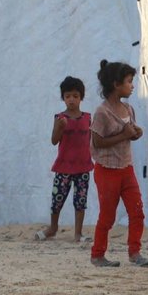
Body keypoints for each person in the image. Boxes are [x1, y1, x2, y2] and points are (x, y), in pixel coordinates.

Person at [90, 59, 148, 268]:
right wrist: (123, 135)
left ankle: (135, 252)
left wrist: (135, 133)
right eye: (128, 81)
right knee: (107, 216)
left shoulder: (128, 108)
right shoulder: (102, 112)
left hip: (126, 168)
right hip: (107, 170)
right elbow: (97, 142)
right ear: (116, 85)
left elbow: (129, 132)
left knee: (137, 211)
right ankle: (97, 255)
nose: (132, 85)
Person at [35, 76, 93, 243]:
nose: (71, 100)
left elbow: (92, 140)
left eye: (75, 96)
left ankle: (78, 233)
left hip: (83, 167)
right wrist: (59, 127)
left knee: (80, 201)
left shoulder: (88, 118)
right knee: (57, 200)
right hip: (63, 167)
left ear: (81, 97)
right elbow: (54, 141)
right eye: (68, 96)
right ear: (63, 98)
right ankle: (52, 228)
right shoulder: (59, 118)